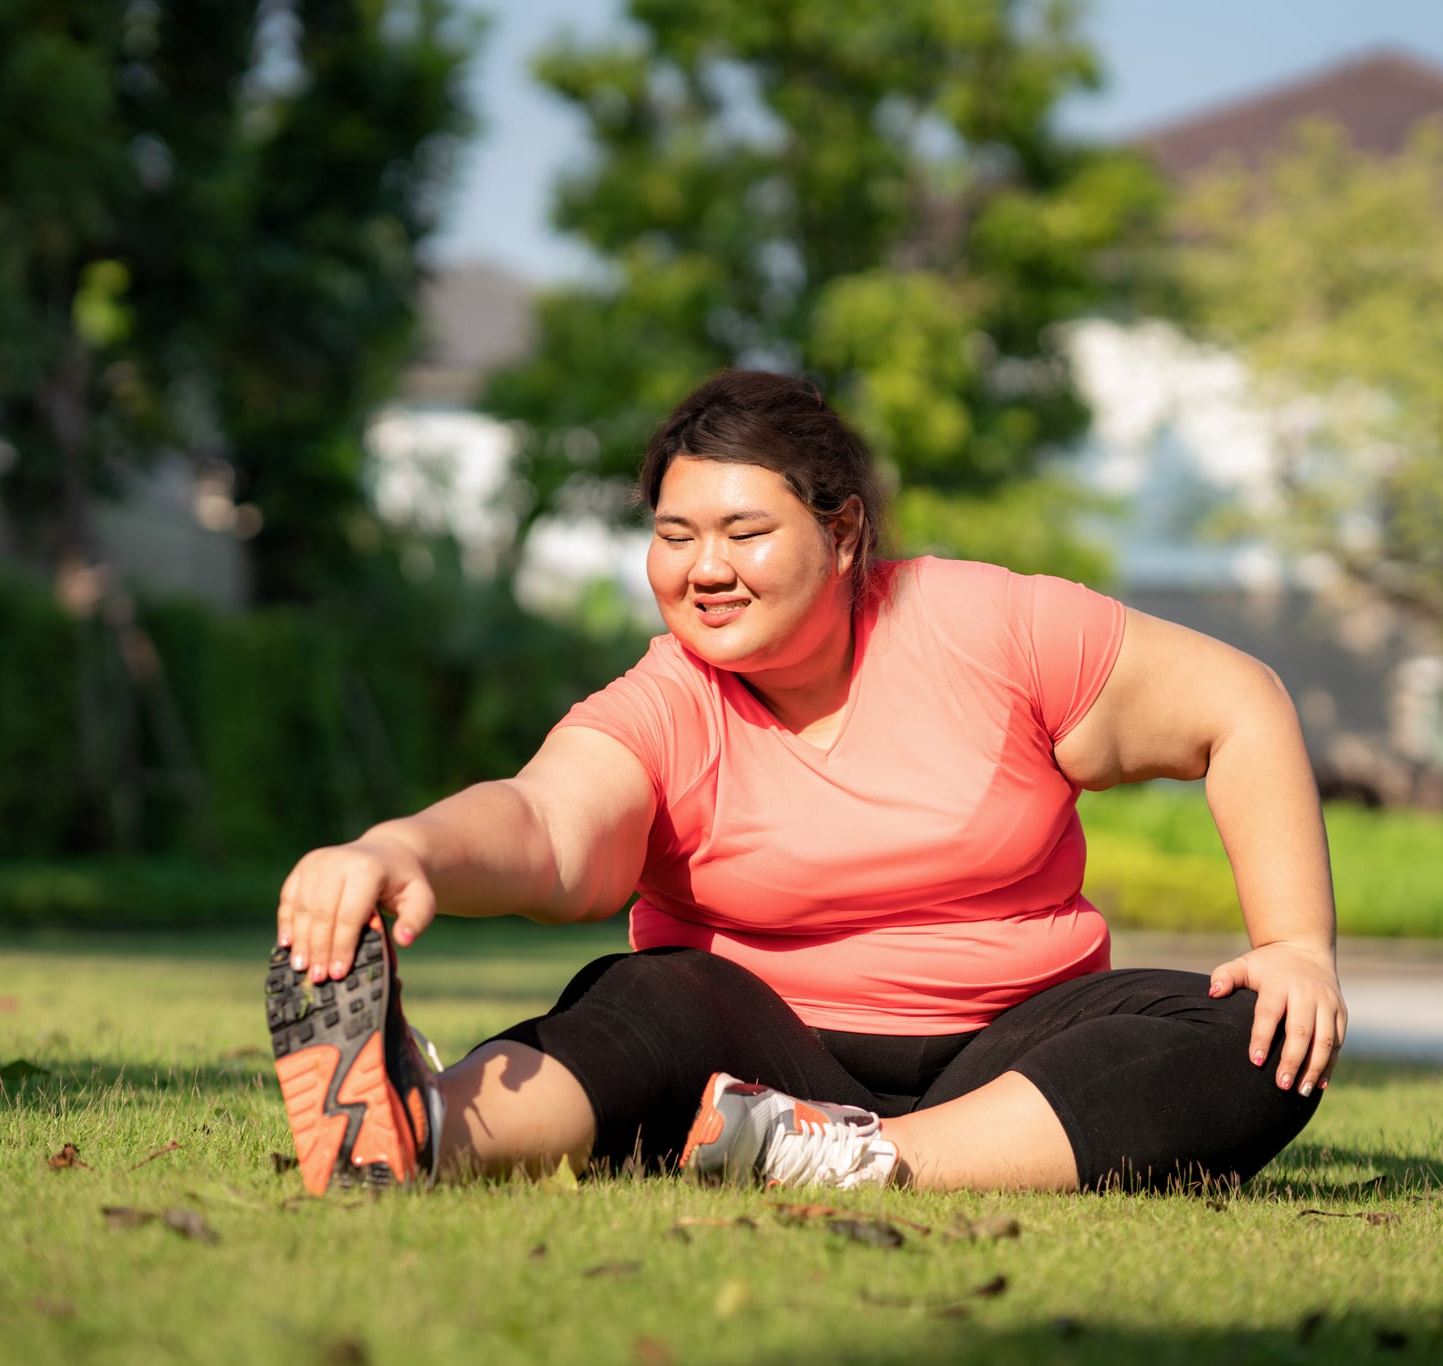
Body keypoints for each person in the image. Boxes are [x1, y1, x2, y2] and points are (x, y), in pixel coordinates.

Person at [264, 370, 1347, 1197]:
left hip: (1015, 1051)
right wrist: (403, 847)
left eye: (743, 532)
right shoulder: (667, 698)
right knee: (646, 997)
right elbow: (547, 822)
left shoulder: (987, 627)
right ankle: (425, 1129)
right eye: (673, 535)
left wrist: (1293, 944)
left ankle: (855, 1157)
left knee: (1256, 1036)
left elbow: (1235, 703)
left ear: (840, 535)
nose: (703, 569)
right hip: (754, 1055)